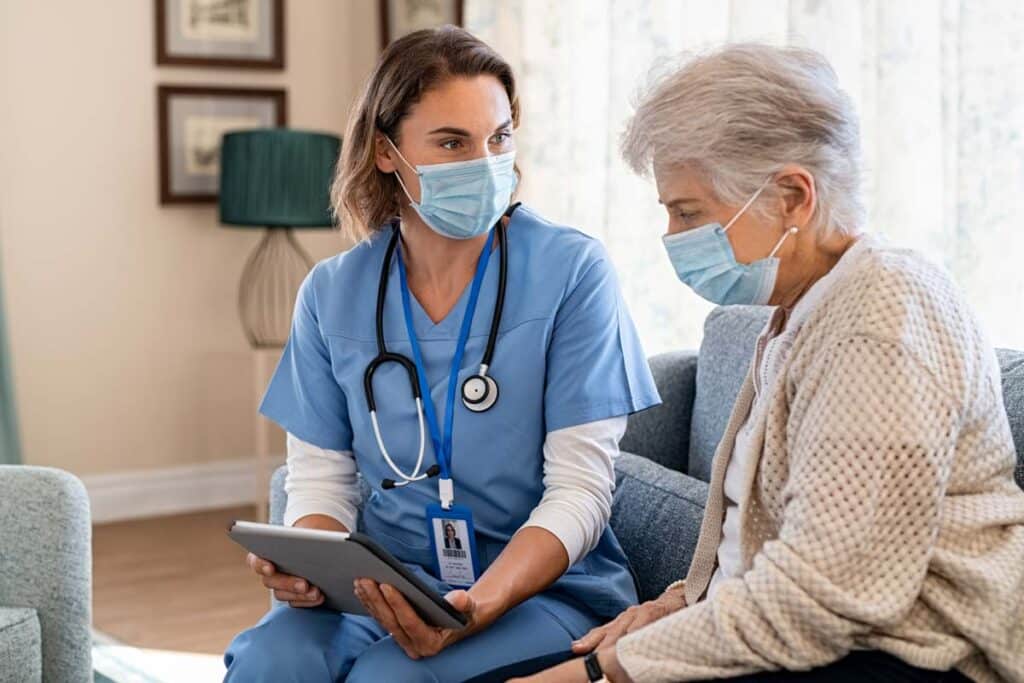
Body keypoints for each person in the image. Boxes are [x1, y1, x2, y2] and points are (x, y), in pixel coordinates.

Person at [516, 43, 1024, 683]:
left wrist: (606, 671)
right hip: (817, 637)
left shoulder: (880, 320)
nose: (672, 237)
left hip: (910, 653)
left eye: (688, 211)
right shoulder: (806, 308)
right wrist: (677, 606)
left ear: (791, 196)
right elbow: (768, 545)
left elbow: (818, 599)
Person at [222, 26, 660, 682]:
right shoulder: (333, 293)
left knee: (390, 678)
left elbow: (581, 491)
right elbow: (321, 482)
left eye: (500, 138)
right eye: (453, 141)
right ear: (387, 151)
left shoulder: (572, 272)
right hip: (389, 583)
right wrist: (312, 565)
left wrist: (479, 603)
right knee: (273, 660)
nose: (486, 163)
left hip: (542, 590)